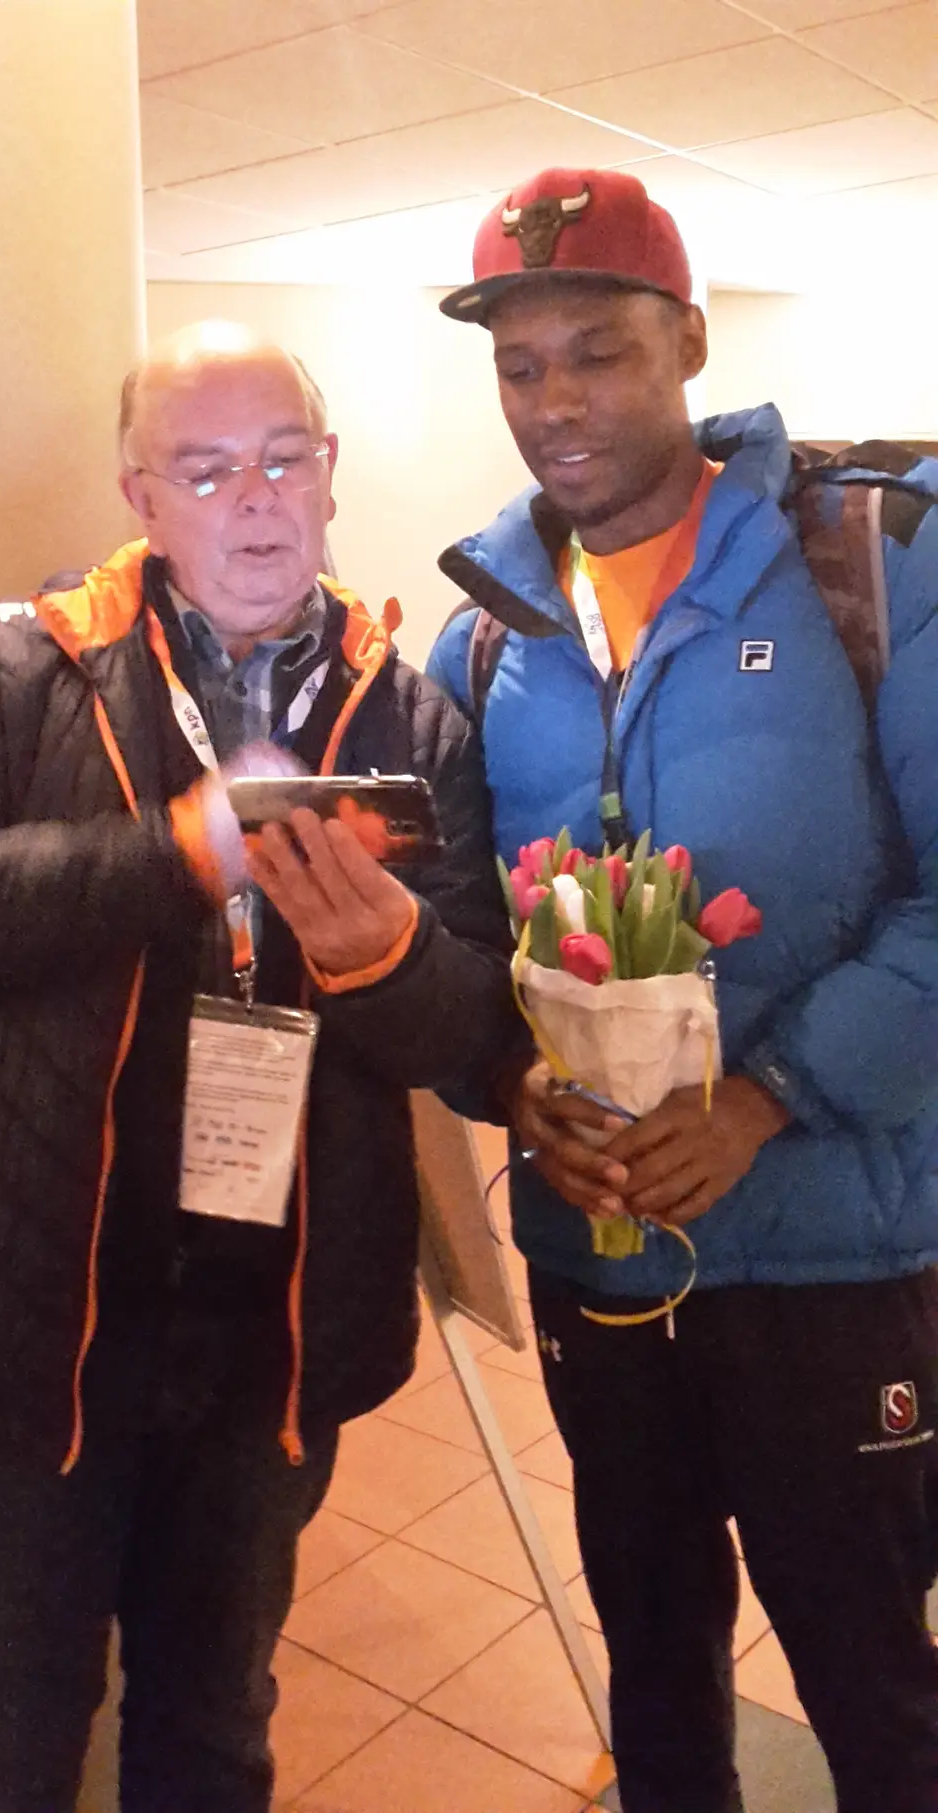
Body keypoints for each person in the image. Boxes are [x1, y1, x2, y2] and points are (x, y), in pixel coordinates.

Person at [0, 320, 516, 1813]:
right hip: (34, 1319)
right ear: (140, 497)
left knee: (212, 1735)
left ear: (330, 474)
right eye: (203, 471)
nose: (253, 500)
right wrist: (175, 855)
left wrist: (385, 959)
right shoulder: (13, 659)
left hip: (274, 1338)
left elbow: (470, 1043)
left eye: (282, 459)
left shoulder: (414, 718)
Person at [428, 167, 938, 1813]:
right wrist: (509, 1085)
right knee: (653, 1673)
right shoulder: (484, 638)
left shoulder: (875, 555)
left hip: (831, 1254)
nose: (557, 403)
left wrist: (768, 1098)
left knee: (877, 1691)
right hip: (601, 1259)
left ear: (692, 344)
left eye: (601, 352)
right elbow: (461, 933)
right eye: (521, 366)